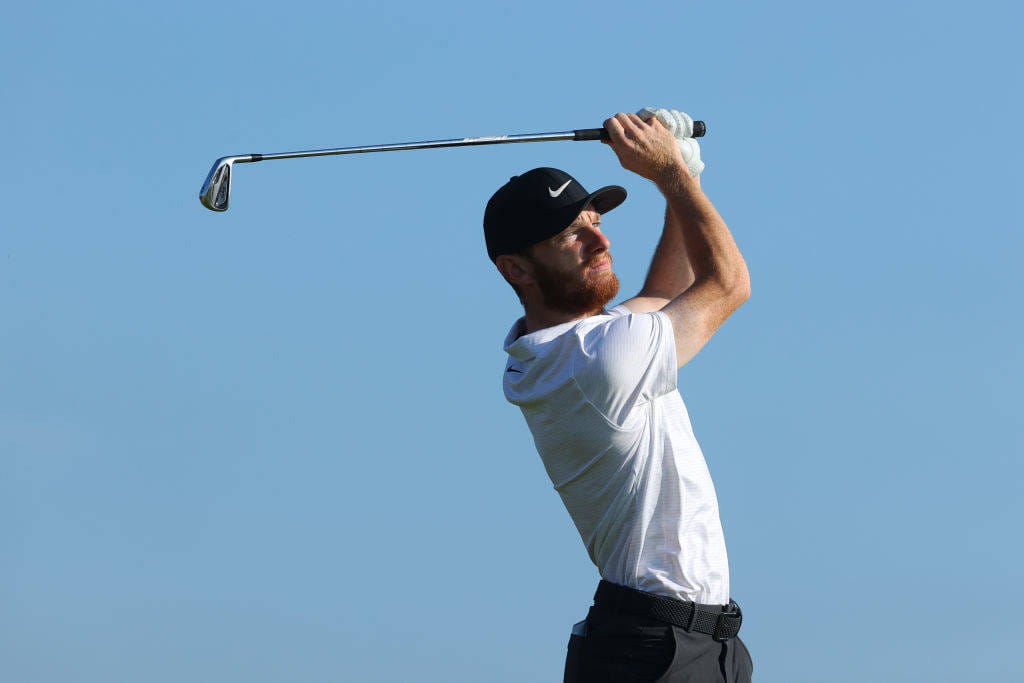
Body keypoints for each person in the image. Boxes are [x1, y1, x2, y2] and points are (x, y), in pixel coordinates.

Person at [483, 110, 753, 682]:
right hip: (653, 650)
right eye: (571, 235)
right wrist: (671, 179)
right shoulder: (593, 358)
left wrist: (685, 177)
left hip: (689, 643)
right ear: (516, 268)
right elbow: (727, 285)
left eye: (595, 220)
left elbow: (662, 292)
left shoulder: (567, 348)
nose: (599, 240)